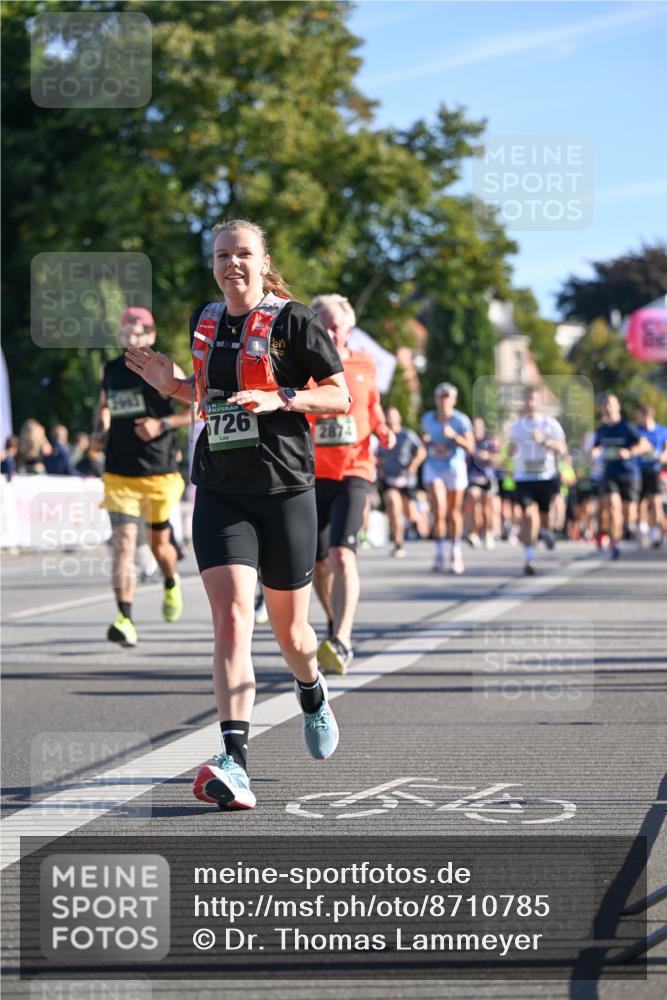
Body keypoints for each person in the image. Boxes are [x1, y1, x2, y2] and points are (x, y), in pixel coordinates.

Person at [125, 219, 350, 811]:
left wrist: (284, 397)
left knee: (294, 636)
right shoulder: (204, 320)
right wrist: (169, 383)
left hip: (284, 491)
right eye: (223, 255)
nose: (233, 264)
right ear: (214, 264)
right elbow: (204, 395)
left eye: (243, 253)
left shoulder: (293, 320)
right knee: (230, 620)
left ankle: (311, 689)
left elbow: (339, 395)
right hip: (221, 490)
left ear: (262, 258)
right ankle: (235, 761)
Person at [308, 294, 394, 675]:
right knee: (318, 563)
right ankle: (333, 620)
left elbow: (371, 405)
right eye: (322, 325)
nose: (330, 332)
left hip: (355, 470)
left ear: (349, 329)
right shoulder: (302, 365)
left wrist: (383, 427)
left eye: (336, 326)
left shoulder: (365, 363)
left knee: (343, 555)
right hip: (311, 474)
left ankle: (341, 639)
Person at [94, 307, 190, 648]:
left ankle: (170, 579)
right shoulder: (111, 369)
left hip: (159, 472)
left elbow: (192, 409)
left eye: (139, 331)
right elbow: (105, 405)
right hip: (119, 471)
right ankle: (125, 618)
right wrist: (98, 430)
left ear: (151, 336)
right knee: (123, 545)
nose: (131, 335)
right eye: (126, 330)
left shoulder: (164, 368)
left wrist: (161, 424)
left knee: (159, 545)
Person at [508, 386, 566, 575]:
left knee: (545, 516)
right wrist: (509, 454)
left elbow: (562, 448)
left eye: (534, 399)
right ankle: (530, 557)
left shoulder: (549, 424)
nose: (530, 403)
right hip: (524, 477)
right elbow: (510, 450)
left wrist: (544, 441)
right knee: (528, 515)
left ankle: (547, 532)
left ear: (541, 402)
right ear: (524, 401)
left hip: (546, 476)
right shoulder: (516, 426)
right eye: (528, 399)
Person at [421, 382, 475, 575]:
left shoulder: (460, 421)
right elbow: (425, 441)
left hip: (454, 468)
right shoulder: (427, 419)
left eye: (447, 397)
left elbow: (471, 447)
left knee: (453, 513)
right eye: (441, 397)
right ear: (436, 399)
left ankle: (455, 550)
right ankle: (438, 552)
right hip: (434, 467)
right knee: (439, 509)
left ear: (453, 400)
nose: (444, 401)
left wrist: (454, 437)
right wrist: (426, 442)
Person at [591, 393, 648, 560]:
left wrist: (629, 452)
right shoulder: (601, 430)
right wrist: (593, 454)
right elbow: (595, 448)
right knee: (613, 507)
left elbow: (644, 445)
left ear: (618, 407)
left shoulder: (627, 427)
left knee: (629, 512)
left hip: (629, 473)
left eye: (611, 404)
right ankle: (614, 543)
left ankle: (634, 526)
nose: (608, 407)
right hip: (610, 473)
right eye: (605, 405)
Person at [376, 405, 426, 558]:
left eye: (393, 415)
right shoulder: (382, 437)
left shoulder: (407, 435)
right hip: (390, 480)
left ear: (399, 419)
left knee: (410, 514)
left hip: (407, 480)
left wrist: (414, 464)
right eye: (388, 415)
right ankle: (398, 543)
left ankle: (415, 522)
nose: (390, 418)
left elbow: (421, 450)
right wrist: (380, 467)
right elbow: (377, 455)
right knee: (393, 504)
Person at [464, 417, 500, 550]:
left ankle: (488, 533)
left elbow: (499, 459)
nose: (475, 430)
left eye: (478, 427)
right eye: (473, 427)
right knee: (473, 501)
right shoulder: (468, 441)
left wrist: (486, 456)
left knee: (487, 509)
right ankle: (474, 533)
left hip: (488, 478)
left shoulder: (489, 441)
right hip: (473, 479)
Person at [635, 404, 667, 548]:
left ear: (647, 415)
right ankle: (643, 530)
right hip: (639, 470)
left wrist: (662, 457)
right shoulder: (637, 431)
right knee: (641, 503)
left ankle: (656, 533)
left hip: (654, 470)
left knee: (656, 502)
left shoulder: (661, 431)